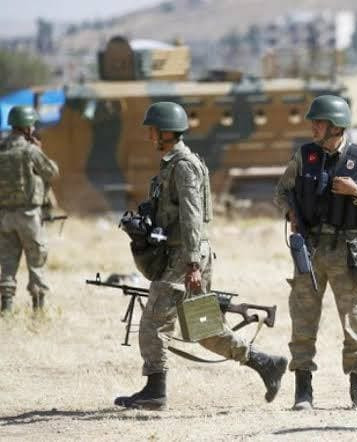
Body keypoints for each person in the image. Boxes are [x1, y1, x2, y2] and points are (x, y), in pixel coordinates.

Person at [114, 102, 287, 410]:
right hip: (185, 253)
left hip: (185, 256)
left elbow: (192, 217)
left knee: (154, 321)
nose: (149, 135)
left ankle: (155, 391)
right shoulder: (173, 164)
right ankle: (266, 364)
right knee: (202, 328)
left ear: (167, 132)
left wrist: (192, 263)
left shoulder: (183, 166)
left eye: (153, 130)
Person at [274, 95, 357, 411]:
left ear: (336, 127)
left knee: (354, 322)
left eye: (319, 122)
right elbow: (281, 191)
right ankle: (303, 391)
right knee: (303, 320)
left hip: (346, 252)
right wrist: (290, 212)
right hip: (310, 250)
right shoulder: (304, 156)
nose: (313, 127)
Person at [0, 105, 59, 313]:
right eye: (32, 125)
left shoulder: (2, 149)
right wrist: (39, 149)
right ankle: (38, 309)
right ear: (26, 127)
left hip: (4, 216)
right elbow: (51, 172)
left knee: (7, 261)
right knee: (36, 260)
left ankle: (6, 308)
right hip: (28, 215)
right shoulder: (30, 150)